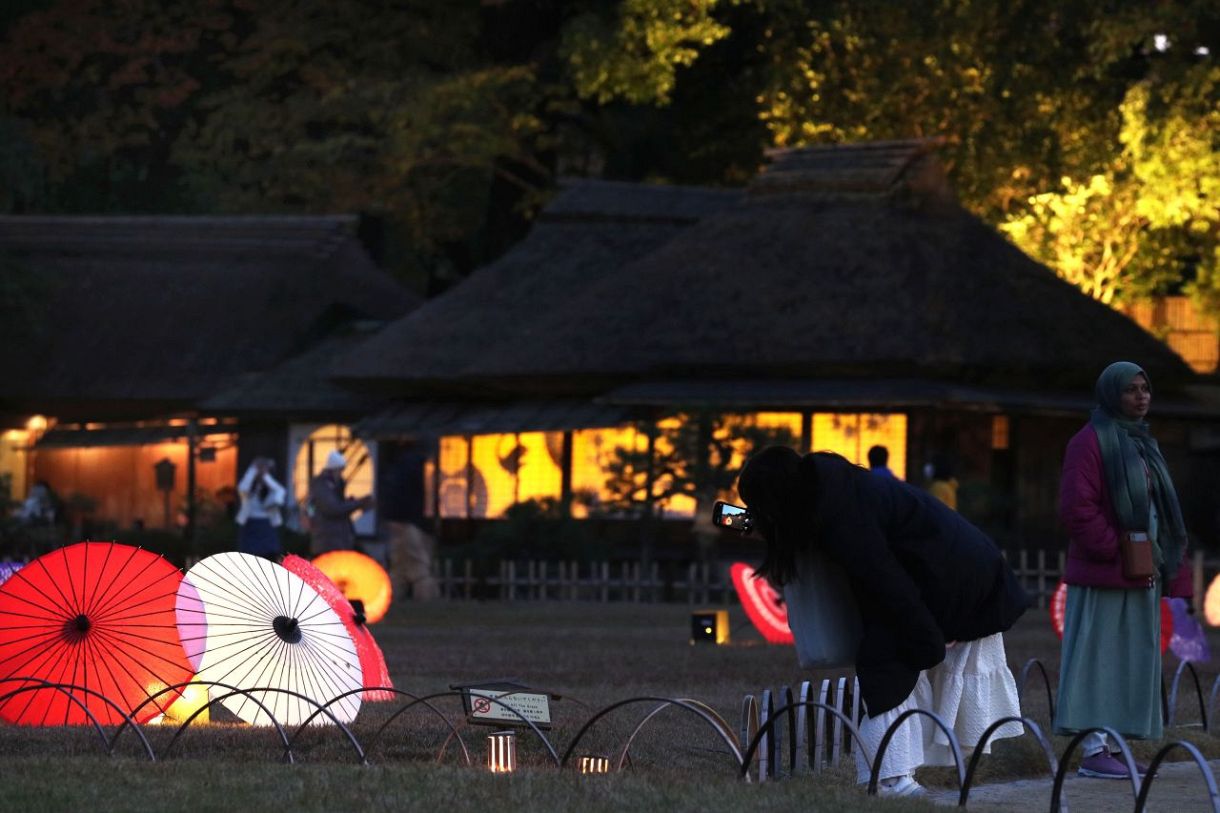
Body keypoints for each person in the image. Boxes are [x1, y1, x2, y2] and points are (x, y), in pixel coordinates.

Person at [737, 446, 1028, 797]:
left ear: (778, 502)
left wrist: (928, 639)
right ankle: (892, 776)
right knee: (887, 657)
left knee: (883, 663)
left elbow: (888, 585)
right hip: (952, 568)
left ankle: (890, 779)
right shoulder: (833, 490)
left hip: (959, 578)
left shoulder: (844, 517)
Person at [1055, 361, 1192, 779]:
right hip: (1107, 572)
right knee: (1098, 658)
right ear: (1111, 393)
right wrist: (1116, 551)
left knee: (1129, 659)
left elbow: (1161, 511)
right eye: (1130, 389)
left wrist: (1153, 559)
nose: (1140, 396)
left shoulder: (1142, 442)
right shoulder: (1089, 441)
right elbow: (1076, 508)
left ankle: (1114, 746)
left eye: (1144, 388)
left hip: (1140, 573)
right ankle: (1092, 748)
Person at [379, 443, 440, 600]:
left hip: (396, 522)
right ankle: (426, 600)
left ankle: (390, 600)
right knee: (419, 568)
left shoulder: (396, 470)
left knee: (398, 568)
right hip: (414, 523)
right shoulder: (421, 470)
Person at [309, 450, 374, 554]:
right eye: (340, 470)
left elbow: (335, 505)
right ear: (334, 469)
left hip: (337, 539)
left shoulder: (333, 485)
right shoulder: (322, 485)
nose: (341, 474)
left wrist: (352, 503)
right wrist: (357, 503)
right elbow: (333, 508)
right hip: (327, 539)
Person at [235, 457, 286, 560]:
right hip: (250, 524)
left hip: (267, 524)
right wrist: (253, 470)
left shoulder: (272, 489)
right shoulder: (250, 488)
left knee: (269, 557)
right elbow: (242, 488)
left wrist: (265, 476)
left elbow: (280, 491)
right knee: (249, 557)